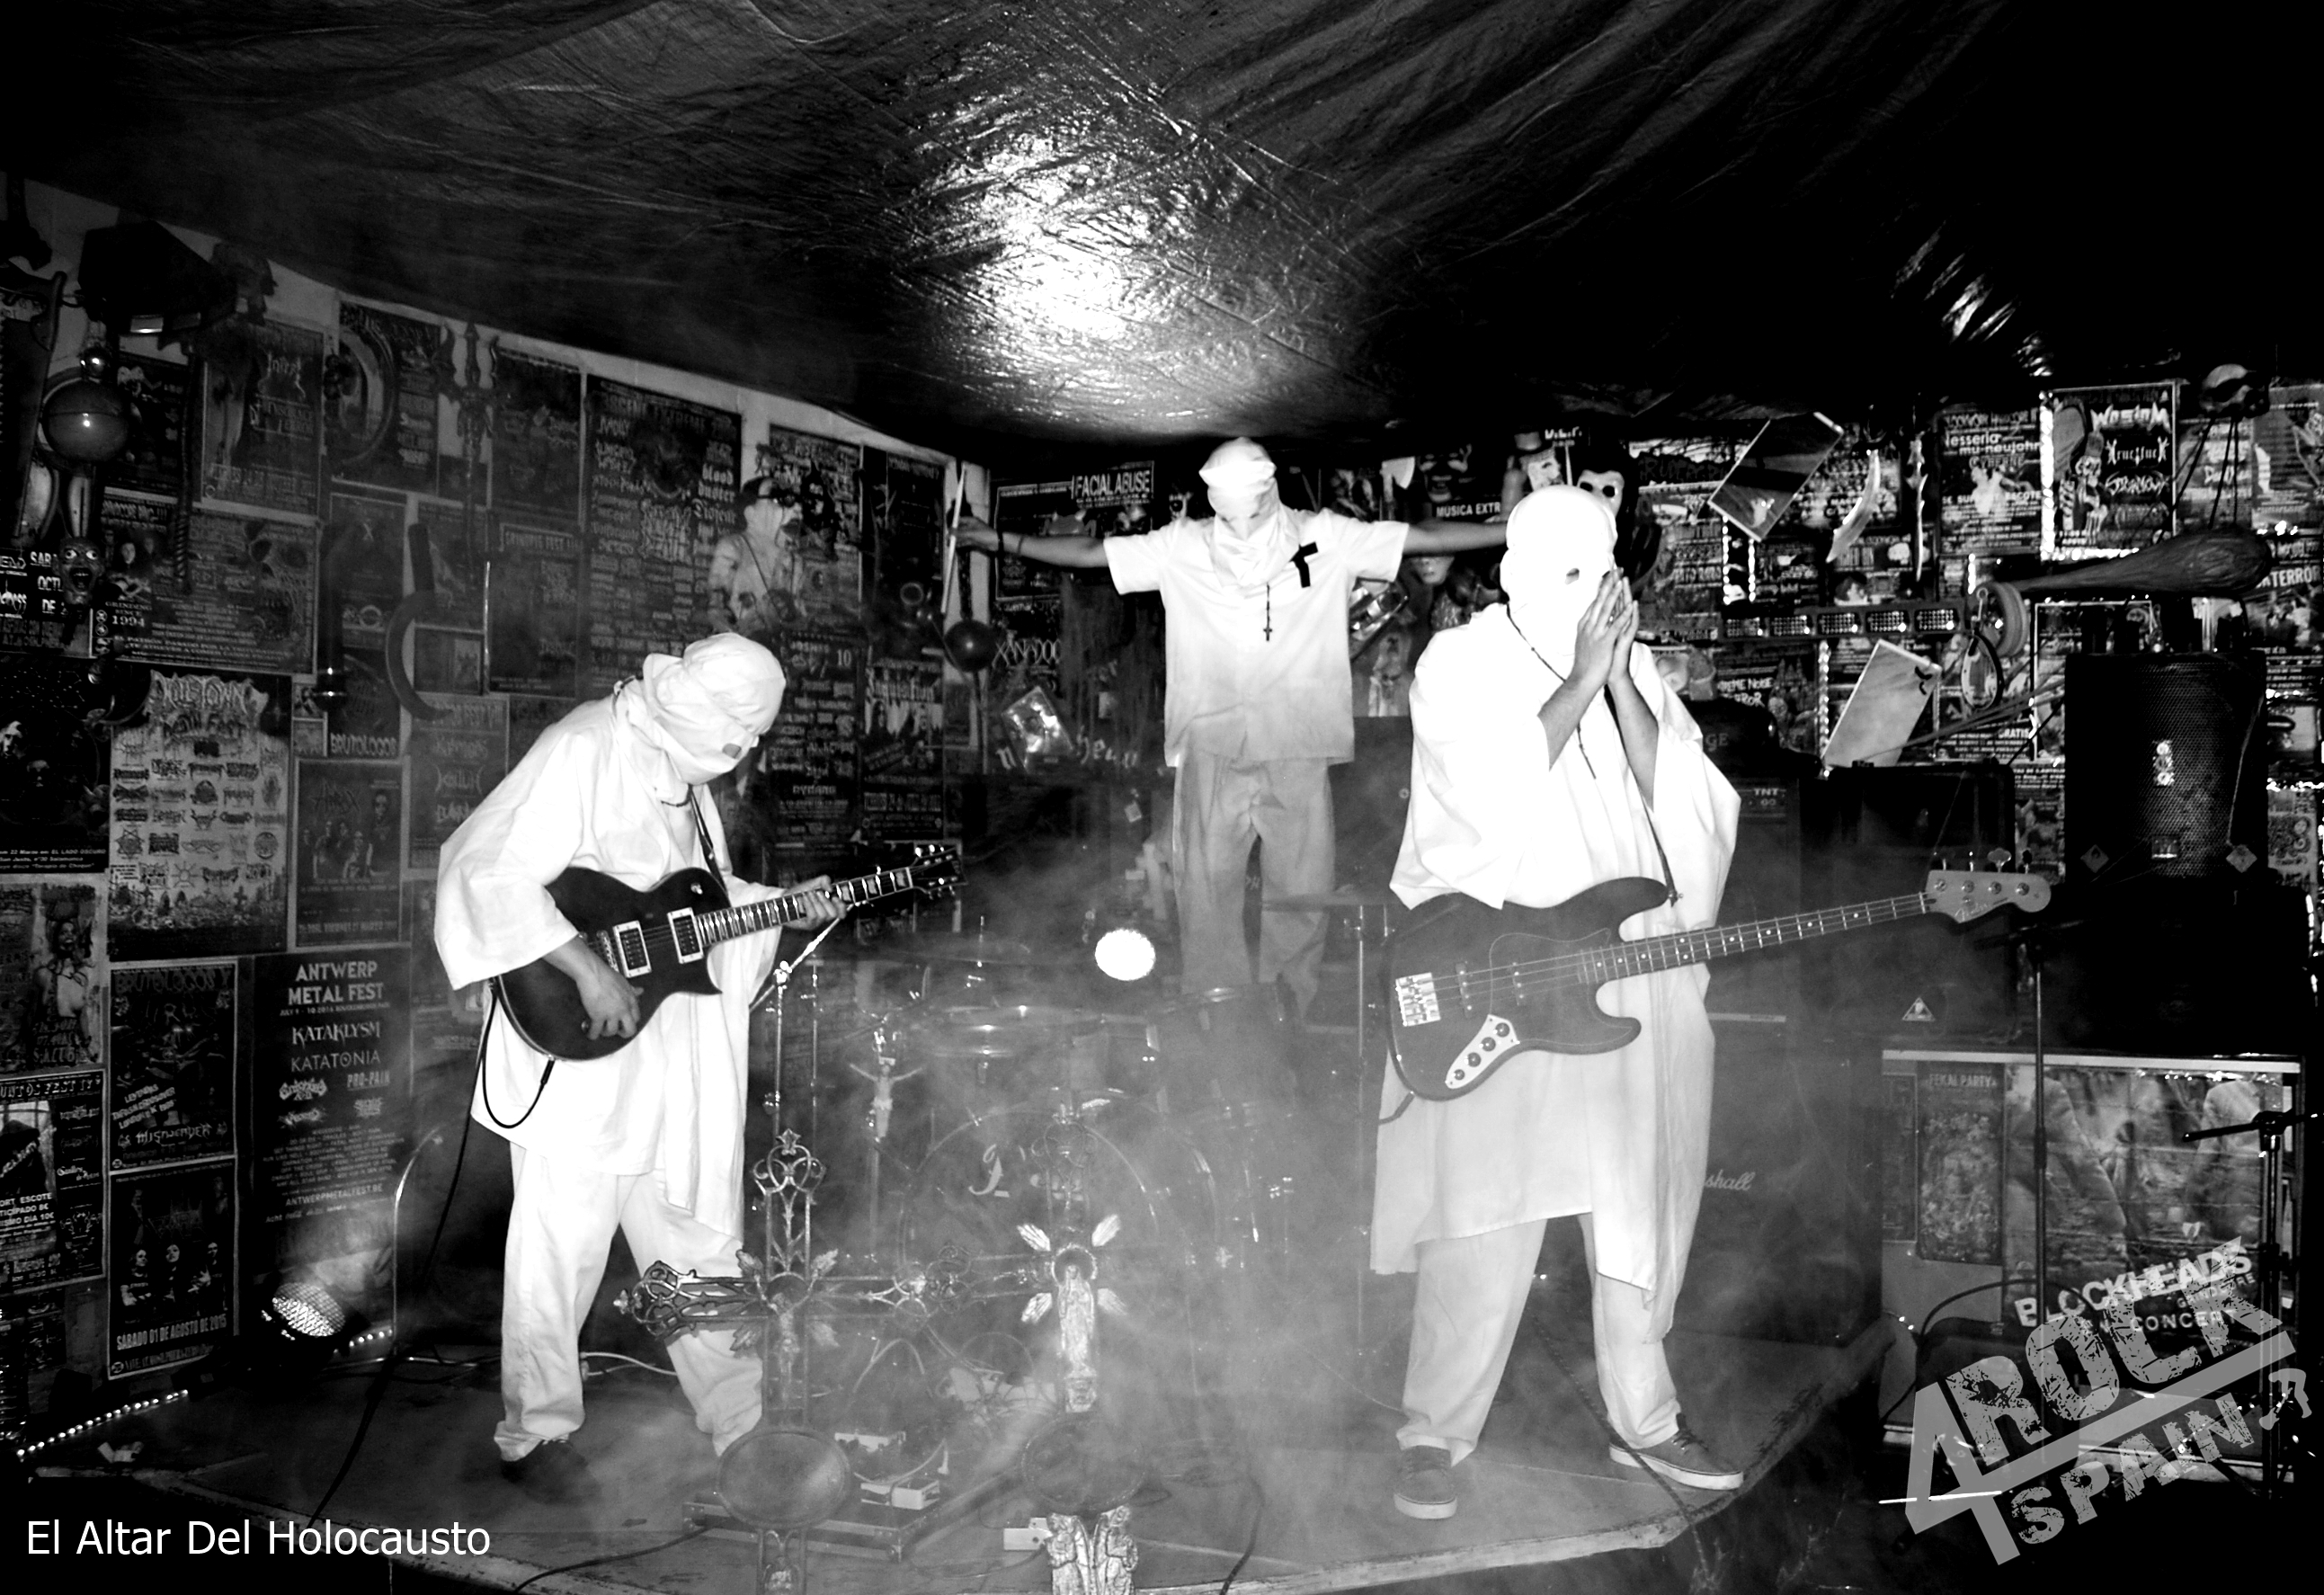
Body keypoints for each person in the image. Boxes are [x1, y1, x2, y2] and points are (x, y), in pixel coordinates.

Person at [1373, 486, 1744, 1520]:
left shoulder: (1632, 663)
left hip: (1625, 977)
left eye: (1603, 569)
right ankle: (1433, 1433)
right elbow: (1472, 803)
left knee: (1635, 1203)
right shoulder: (1459, 661)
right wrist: (1582, 676)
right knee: (1479, 1212)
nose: (1591, 592)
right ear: (1518, 570)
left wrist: (1619, 679)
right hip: (1505, 982)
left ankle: (1648, 1421)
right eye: (1569, 570)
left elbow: (1688, 804)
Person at [435, 633, 841, 1504]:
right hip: (581, 1038)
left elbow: (691, 900)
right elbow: (486, 869)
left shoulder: (685, 777)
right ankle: (535, 1434)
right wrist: (587, 970)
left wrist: (786, 907)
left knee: (696, 1234)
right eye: (730, 745)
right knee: (562, 1246)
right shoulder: (584, 745)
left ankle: (742, 1426)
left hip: (670, 1044)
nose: (734, 761)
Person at [957, 438, 1500, 1017]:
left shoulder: (1328, 536)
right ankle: (1217, 1016)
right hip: (1211, 744)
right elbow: (1093, 551)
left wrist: (1518, 527)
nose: (1242, 531)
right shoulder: (1182, 545)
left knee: (1301, 896)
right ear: (1213, 502)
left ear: (1272, 493)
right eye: (1230, 516)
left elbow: (1424, 537)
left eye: (1254, 514)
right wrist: (999, 540)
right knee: (1205, 895)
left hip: (1297, 744)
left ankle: (1289, 1010)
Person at [707, 474, 805, 646]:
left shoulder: (795, 562)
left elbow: (802, 618)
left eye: (794, 502)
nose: (795, 509)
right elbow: (715, 611)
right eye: (777, 500)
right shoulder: (733, 548)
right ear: (751, 514)